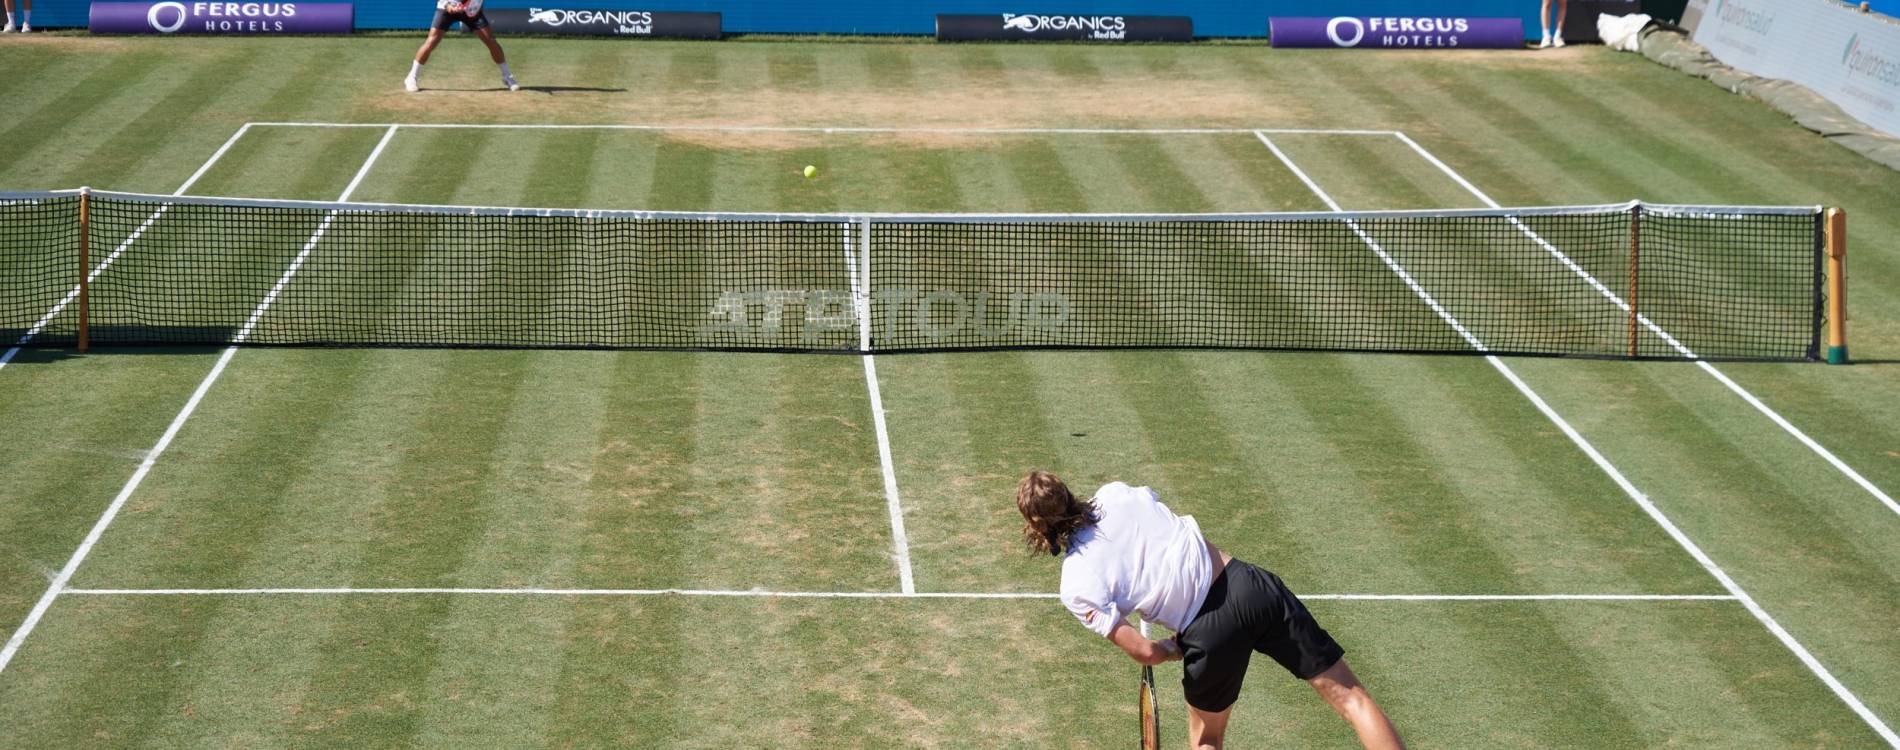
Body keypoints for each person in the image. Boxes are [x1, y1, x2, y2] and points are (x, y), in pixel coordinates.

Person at [1015, 471, 1404, 750]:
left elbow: (1145, 651)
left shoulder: (1077, 583)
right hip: (1251, 586)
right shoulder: (1117, 493)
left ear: (1036, 526)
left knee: (1207, 742)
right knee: (1354, 699)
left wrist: (1175, 647)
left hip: (1207, 632)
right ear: (1067, 493)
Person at [406, 0, 517, 93]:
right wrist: (448, 5)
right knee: (432, 41)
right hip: (448, 6)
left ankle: (507, 77)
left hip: (471, 8)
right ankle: (412, 77)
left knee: (491, 41)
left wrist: (474, 6)